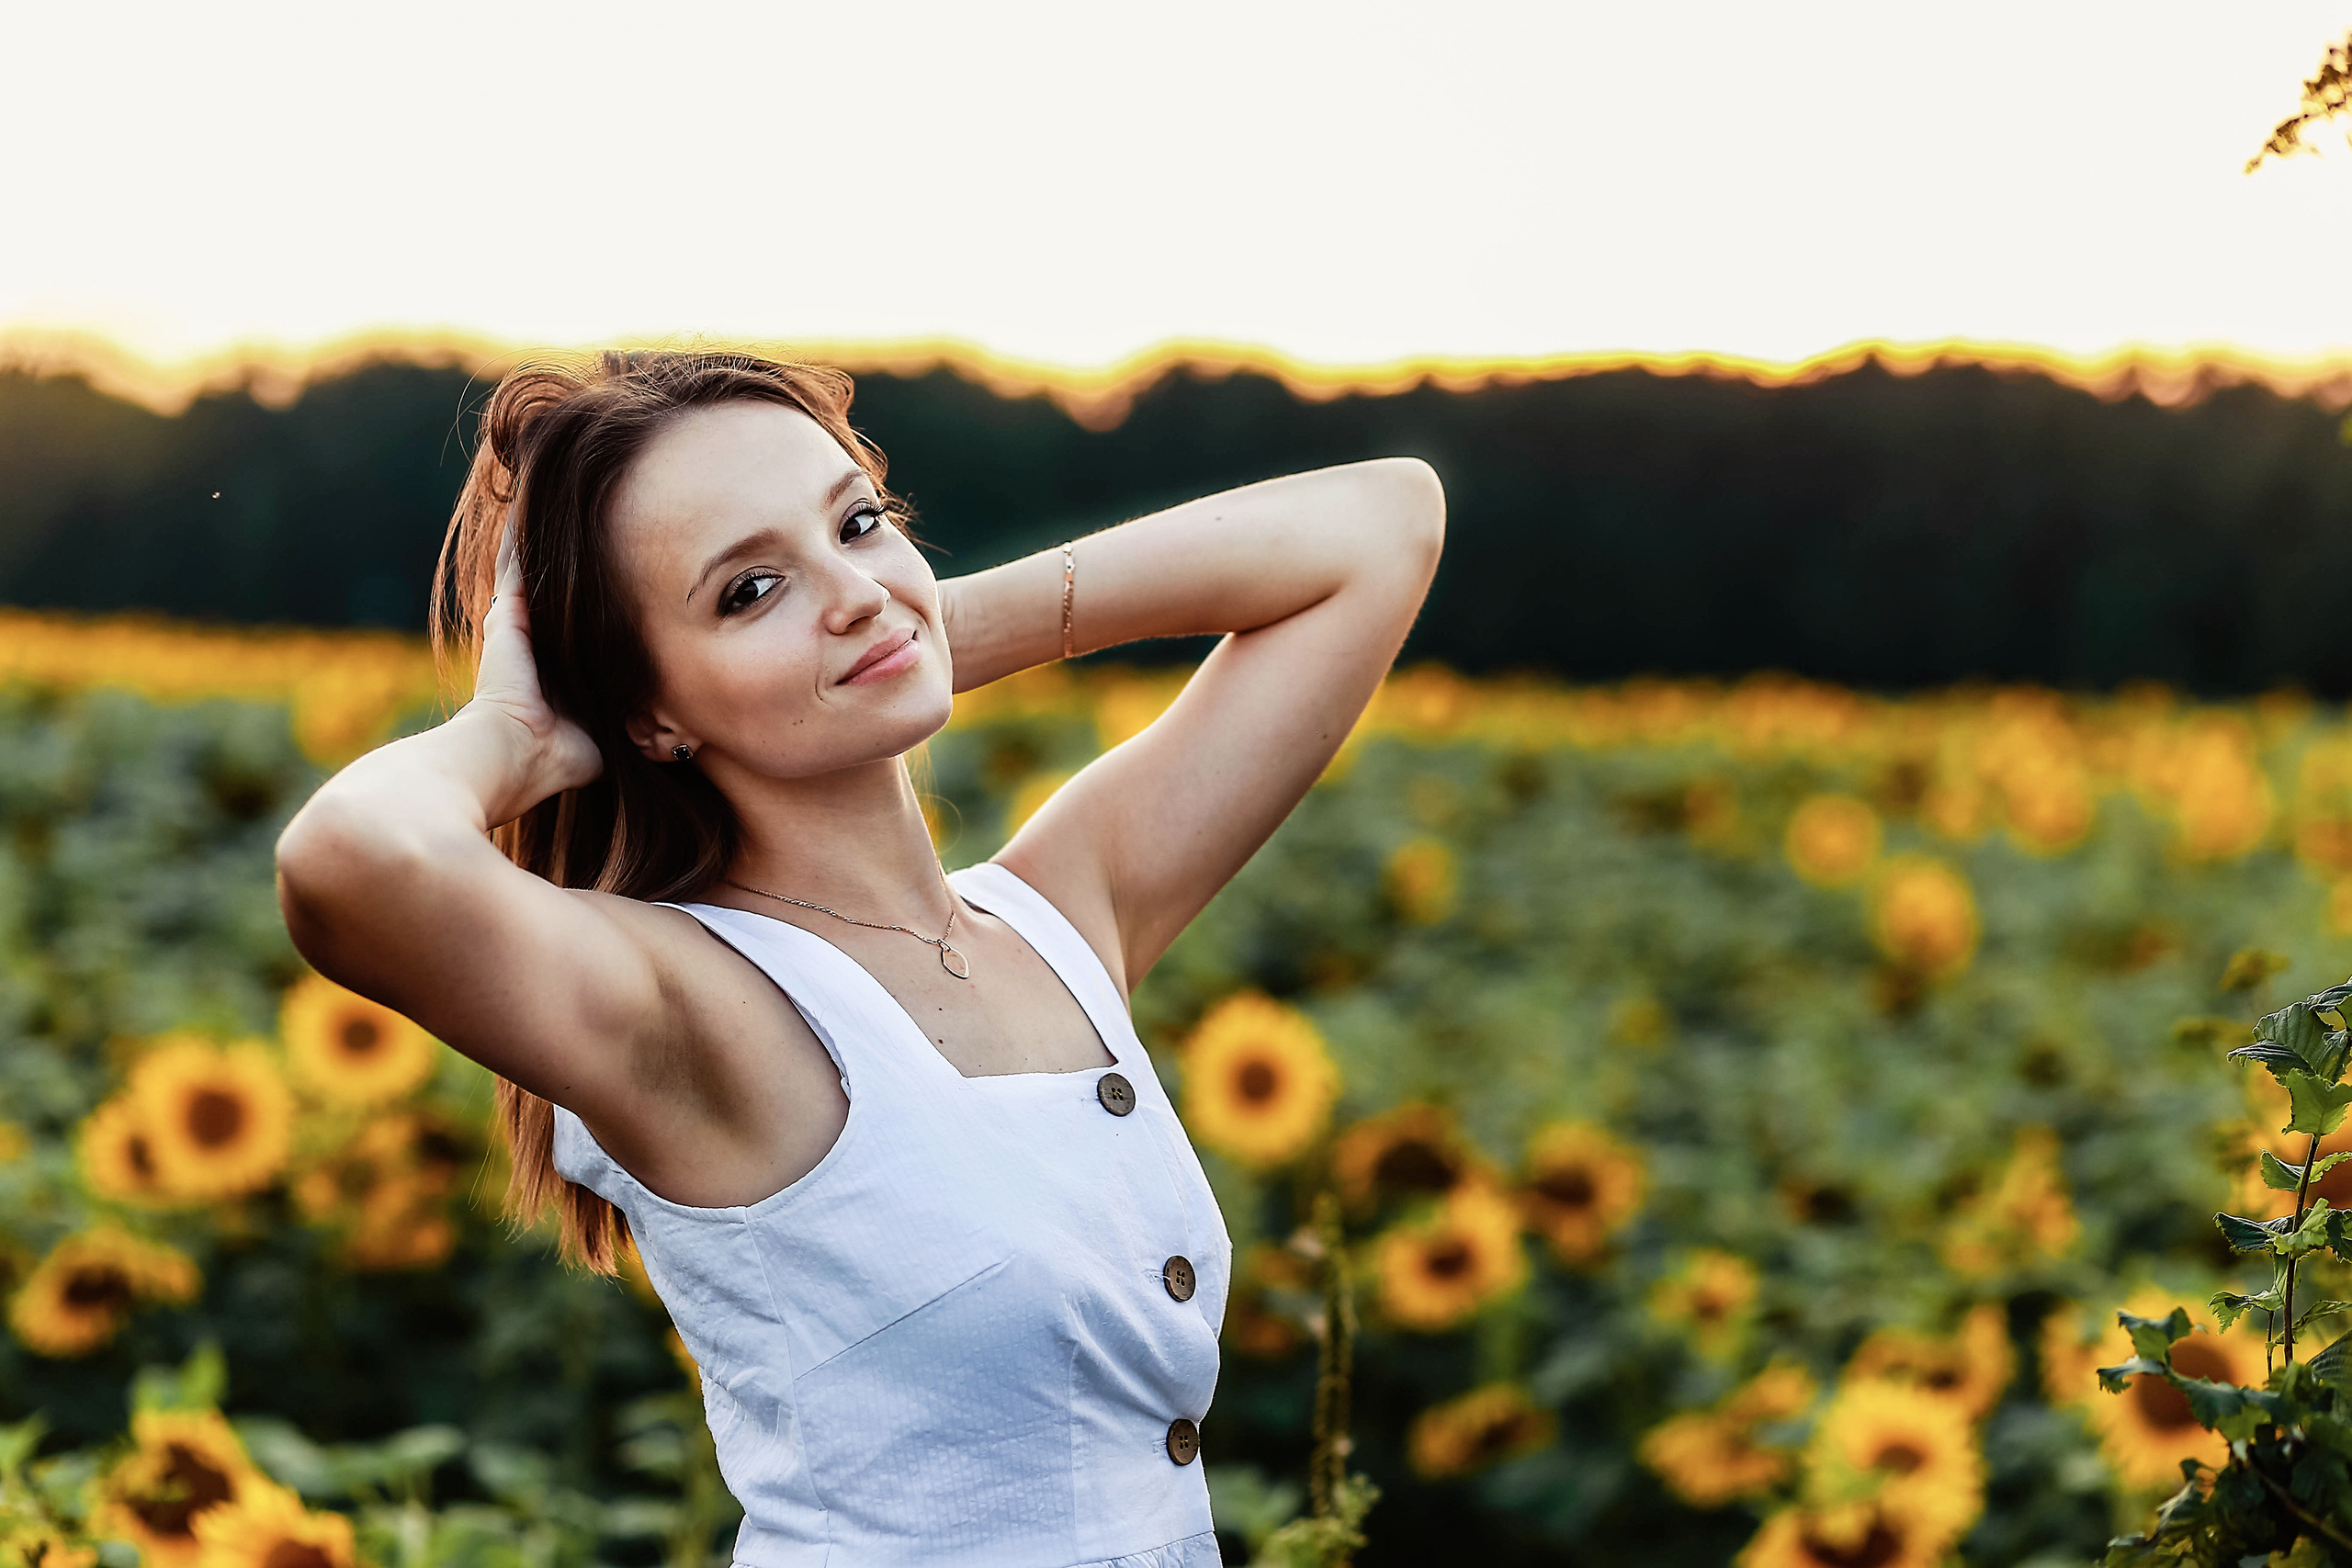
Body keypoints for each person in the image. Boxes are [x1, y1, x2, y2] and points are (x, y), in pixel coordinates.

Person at [274, 349, 1444, 1567]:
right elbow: (350, 863)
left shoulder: (1062, 914)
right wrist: (516, 730)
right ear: (650, 714)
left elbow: (1383, 524)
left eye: (861, 521)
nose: (849, 591)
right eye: (750, 590)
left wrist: (915, 622)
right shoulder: (698, 1006)